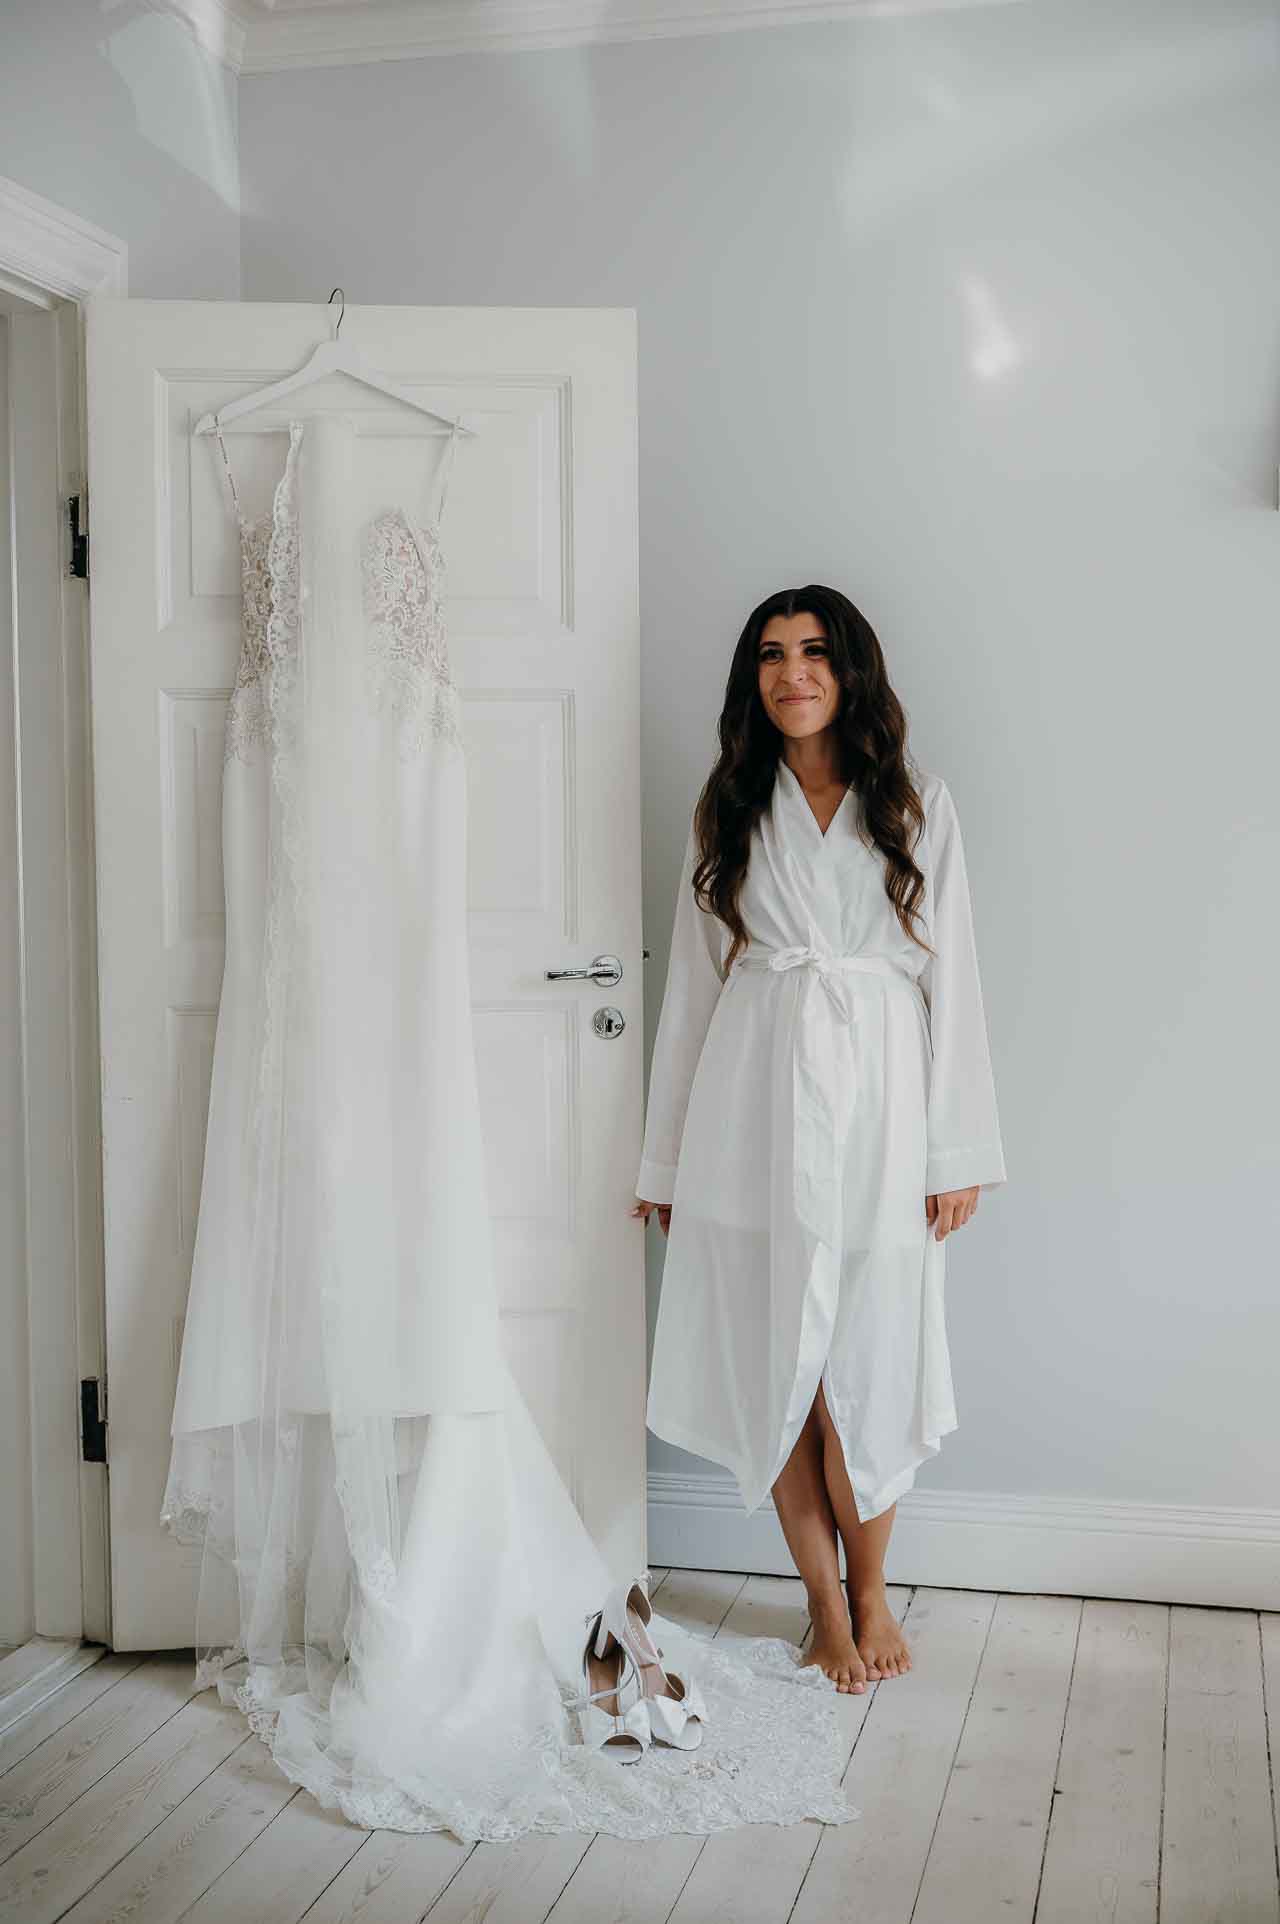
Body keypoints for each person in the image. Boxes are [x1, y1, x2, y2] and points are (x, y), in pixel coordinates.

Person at [631, 585, 1007, 1695]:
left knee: (869, 1365)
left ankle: (873, 1587)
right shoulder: (729, 805)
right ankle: (823, 1605)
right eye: (769, 654)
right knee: (776, 1365)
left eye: (812, 653)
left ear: (849, 672)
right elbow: (691, 993)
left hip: (884, 1108)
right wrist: (666, 1162)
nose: (790, 673)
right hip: (749, 1105)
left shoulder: (914, 801)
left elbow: (953, 982)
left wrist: (954, 1154)